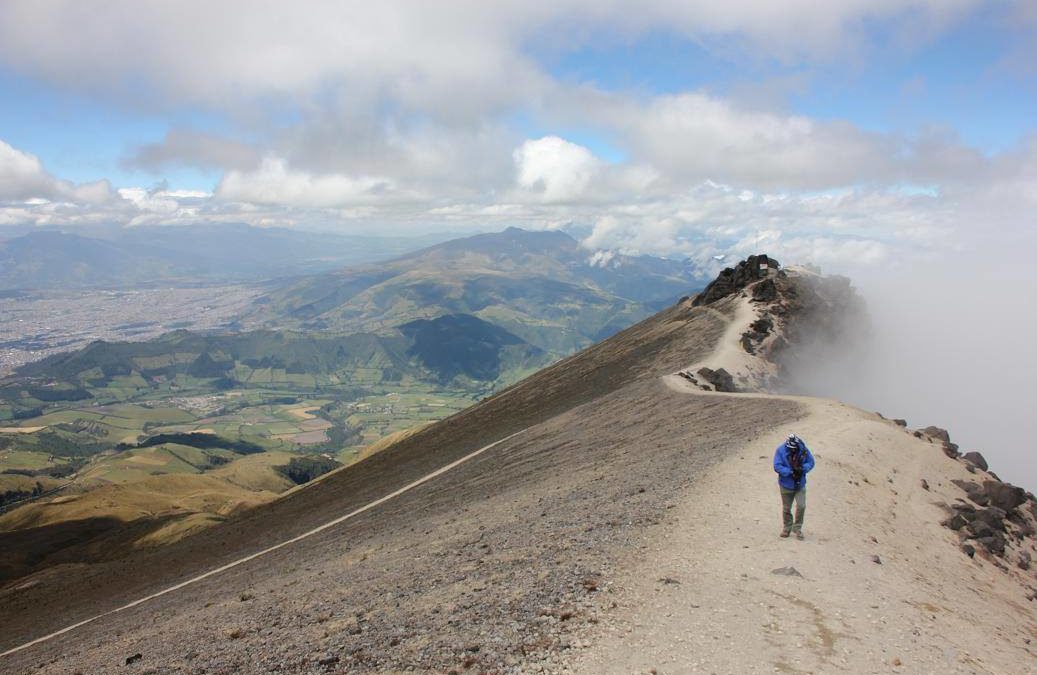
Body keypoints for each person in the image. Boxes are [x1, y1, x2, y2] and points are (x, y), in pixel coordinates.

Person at [773, 434, 815, 539]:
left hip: (799, 484)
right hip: (786, 484)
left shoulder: (803, 450)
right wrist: (790, 472)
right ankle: (787, 528)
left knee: (801, 506)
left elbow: (811, 462)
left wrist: (802, 468)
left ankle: (797, 528)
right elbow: (777, 466)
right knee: (786, 508)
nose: (792, 450)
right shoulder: (780, 450)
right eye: (790, 448)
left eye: (794, 448)